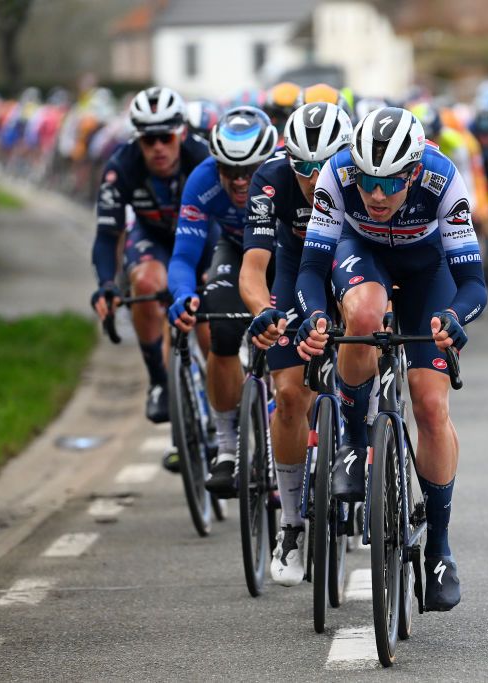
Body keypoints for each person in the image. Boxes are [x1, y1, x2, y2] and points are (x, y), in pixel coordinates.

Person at [294, 107, 486, 610]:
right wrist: (314, 317)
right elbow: (311, 268)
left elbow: (473, 285)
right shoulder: (337, 175)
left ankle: (439, 548)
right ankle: (356, 446)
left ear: (414, 170)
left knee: (429, 406)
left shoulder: (444, 181)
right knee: (362, 316)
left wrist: (454, 317)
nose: (376, 195)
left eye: (390, 182)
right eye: (368, 180)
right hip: (363, 255)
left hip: (429, 272)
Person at [240, 102, 352, 585]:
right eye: (302, 167)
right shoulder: (270, 180)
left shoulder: (360, 177)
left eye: (323, 167)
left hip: (348, 264)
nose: (312, 179)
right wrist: (262, 311)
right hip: (292, 269)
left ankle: (359, 447)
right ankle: (290, 524)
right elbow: (252, 267)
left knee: (360, 348)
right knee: (288, 395)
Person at [167, 107, 279, 495]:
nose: (240, 180)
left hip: (287, 255)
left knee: (294, 336)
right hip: (234, 252)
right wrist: (183, 295)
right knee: (222, 327)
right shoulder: (201, 182)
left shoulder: (285, 172)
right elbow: (183, 256)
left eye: (249, 169)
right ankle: (228, 447)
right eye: (229, 171)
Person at [89, 86, 209, 424]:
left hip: (200, 238)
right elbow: (106, 236)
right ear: (136, 140)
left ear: (180, 133)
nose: (157, 147)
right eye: (148, 140)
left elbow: (224, 221)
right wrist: (106, 285)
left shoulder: (201, 158)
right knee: (144, 282)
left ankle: (222, 417)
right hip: (151, 239)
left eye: (165, 138)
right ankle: (158, 379)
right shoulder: (121, 168)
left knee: (210, 329)